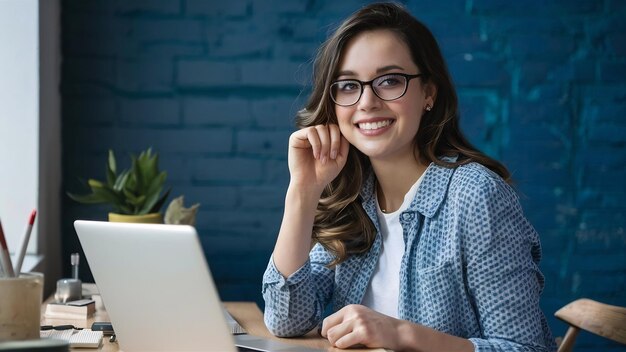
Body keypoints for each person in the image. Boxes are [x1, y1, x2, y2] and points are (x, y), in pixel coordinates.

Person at [262, 3, 557, 351]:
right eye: (347, 85)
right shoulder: (355, 196)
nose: (367, 102)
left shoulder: (476, 196)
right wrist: (303, 191)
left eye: (390, 81)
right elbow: (287, 320)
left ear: (428, 93)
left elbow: (525, 348)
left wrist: (401, 335)